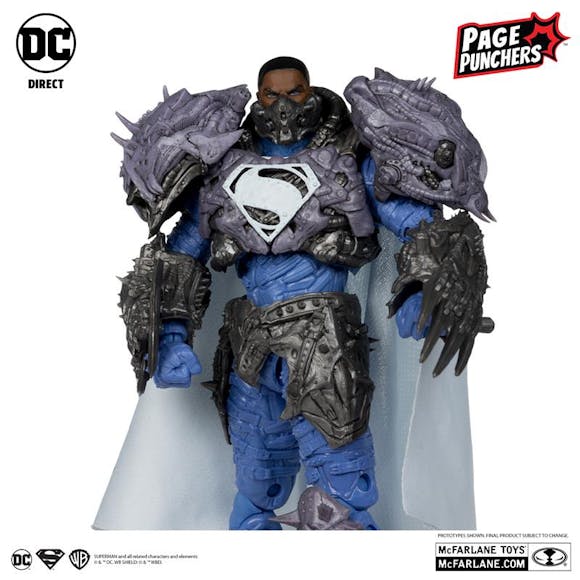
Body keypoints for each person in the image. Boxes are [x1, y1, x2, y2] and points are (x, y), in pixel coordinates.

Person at [111, 56, 491, 530]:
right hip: (250, 344)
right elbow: (182, 252)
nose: (283, 105)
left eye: (294, 92)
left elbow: (418, 224)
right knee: (257, 485)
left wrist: (424, 289)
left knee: (342, 493)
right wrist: (168, 335)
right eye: (271, 95)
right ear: (258, 97)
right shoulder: (224, 169)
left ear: (310, 92)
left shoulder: (349, 161)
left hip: (325, 344)